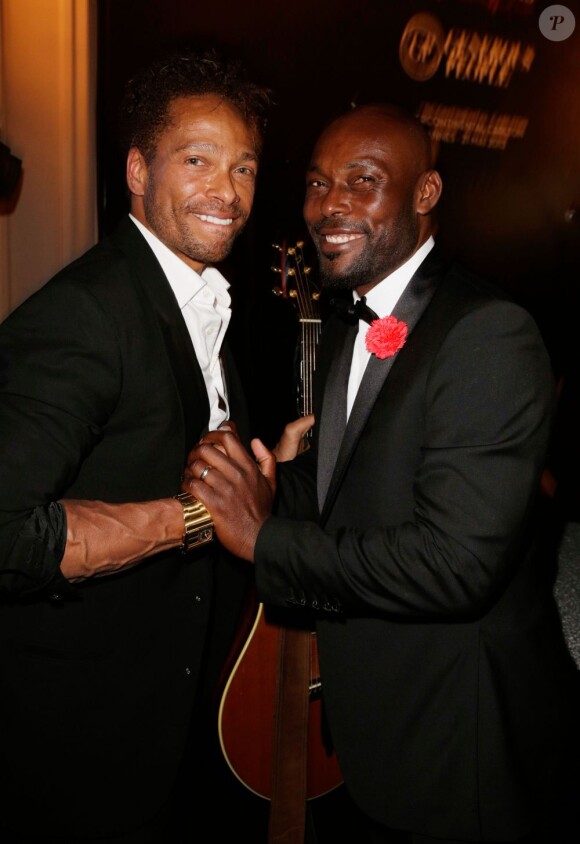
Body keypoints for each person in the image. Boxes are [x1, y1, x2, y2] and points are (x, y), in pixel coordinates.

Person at [181, 104, 577, 844]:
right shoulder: (351, 318)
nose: (329, 205)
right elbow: (351, 484)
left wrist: (263, 538)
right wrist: (262, 479)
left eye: (363, 181)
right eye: (318, 182)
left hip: (462, 742)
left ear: (425, 195)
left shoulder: (488, 332)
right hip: (377, 728)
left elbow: (457, 564)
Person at [0, 49, 270, 842]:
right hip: (74, 744)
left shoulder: (200, 294)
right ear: (137, 171)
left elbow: (163, 445)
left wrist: (261, 461)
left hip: (170, 722)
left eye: (246, 169)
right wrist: (192, 519)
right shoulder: (86, 312)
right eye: (198, 161)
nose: (228, 192)